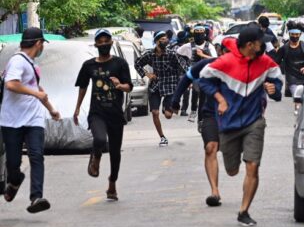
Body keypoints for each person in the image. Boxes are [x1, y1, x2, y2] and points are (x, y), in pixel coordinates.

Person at [199, 27, 283, 226]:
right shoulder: (225, 62)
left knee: (253, 166)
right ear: (249, 45)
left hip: (254, 122)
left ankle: (244, 210)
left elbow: (278, 85)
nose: (263, 45)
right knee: (232, 171)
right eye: (260, 42)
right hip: (228, 124)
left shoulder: (265, 63)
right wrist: (220, 98)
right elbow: (203, 79)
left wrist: (274, 89)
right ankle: (233, 177)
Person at [0, 27, 61, 213]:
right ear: (38, 43)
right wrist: (35, 93)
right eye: (42, 44)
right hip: (12, 120)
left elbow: (36, 88)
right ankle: (15, 181)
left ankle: (36, 197)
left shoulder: (32, 64)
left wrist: (51, 109)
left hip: (34, 119)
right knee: (13, 164)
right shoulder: (17, 61)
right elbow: (11, 84)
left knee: (36, 155)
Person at [172, 37, 235, 207]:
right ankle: (214, 192)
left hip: (234, 118)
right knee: (210, 148)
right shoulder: (208, 66)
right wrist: (175, 101)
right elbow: (186, 78)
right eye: (227, 52)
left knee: (232, 165)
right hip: (210, 115)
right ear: (221, 52)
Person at [74, 29, 133, 201]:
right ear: (96, 45)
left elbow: (129, 86)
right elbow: (83, 87)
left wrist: (119, 85)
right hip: (97, 112)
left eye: (107, 40)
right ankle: (96, 157)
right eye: (100, 41)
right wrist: (77, 108)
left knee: (115, 153)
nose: (104, 44)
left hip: (115, 114)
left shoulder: (120, 63)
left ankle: (112, 183)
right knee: (99, 140)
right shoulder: (88, 65)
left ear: (111, 43)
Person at [134, 31, 187, 146]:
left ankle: (167, 107)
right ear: (157, 41)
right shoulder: (150, 54)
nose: (165, 41)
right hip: (156, 86)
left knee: (168, 115)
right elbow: (137, 63)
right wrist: (147, 74)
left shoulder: (172, 54)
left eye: (166, 39)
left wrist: (189, 79)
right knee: (154, 112)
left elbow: (183, 66)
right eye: (162, 39)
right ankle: (162, 137)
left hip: (170, 86)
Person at [177, 25, 217, 123]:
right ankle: (194, 111)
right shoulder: (188, 46)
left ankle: (200, 120)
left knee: (203, 97)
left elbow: (214, 59)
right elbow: (178, 53)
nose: (199, 36)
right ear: (194, 35)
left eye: (201, 34)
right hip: (194, 73)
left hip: (206, 74)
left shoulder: (210, 46)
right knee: (195, 92)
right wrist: (185, 67)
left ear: (204, 34)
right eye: (197, 34)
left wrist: (202, 55)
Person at [275, 20, 304, 113]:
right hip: (292, 79)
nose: (295, 36)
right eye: (292, 34)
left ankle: (302, 112)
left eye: (297, 34)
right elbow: (275, 63)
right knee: (297, 95)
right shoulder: (284, 48)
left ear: (300, 34)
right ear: (289, 34)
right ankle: (298, 111)